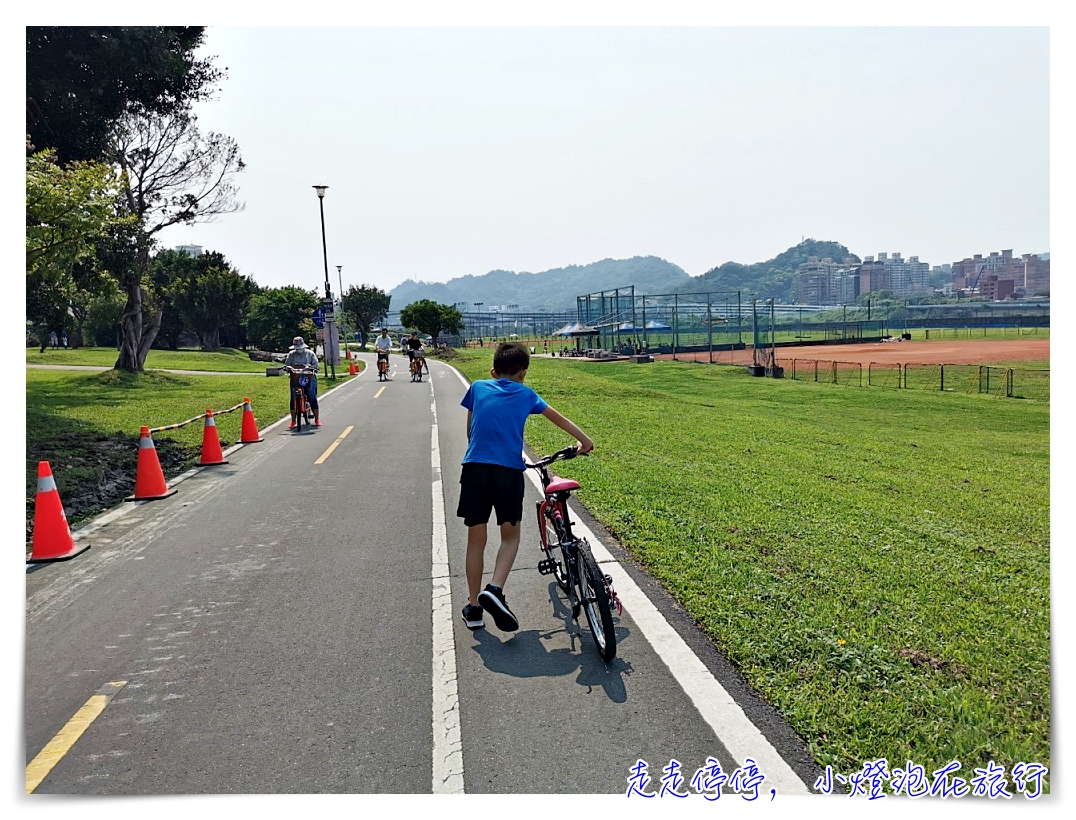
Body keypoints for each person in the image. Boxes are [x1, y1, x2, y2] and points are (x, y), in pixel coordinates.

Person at [457, 342, 594, 632]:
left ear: (494, 371)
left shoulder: (478, 388)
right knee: (510, 537)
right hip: (507, 473)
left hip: (475, 470)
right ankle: (494, 589)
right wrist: (585, 442)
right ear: (523, 373)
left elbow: (470, 431)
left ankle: (474, 609)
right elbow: (559, 419)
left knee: (475, 541)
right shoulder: (526, 393)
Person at [283, 336, 321, 427]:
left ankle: (317, 419)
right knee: (293, 398)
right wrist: (288, 368)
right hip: (295, 377)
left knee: (312, 397)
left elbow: (316, 365)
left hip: (308, 378)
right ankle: (293, 420)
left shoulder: (310, 354)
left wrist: (312, 367)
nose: (298, 350)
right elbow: (287, 365)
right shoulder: (291, 354)